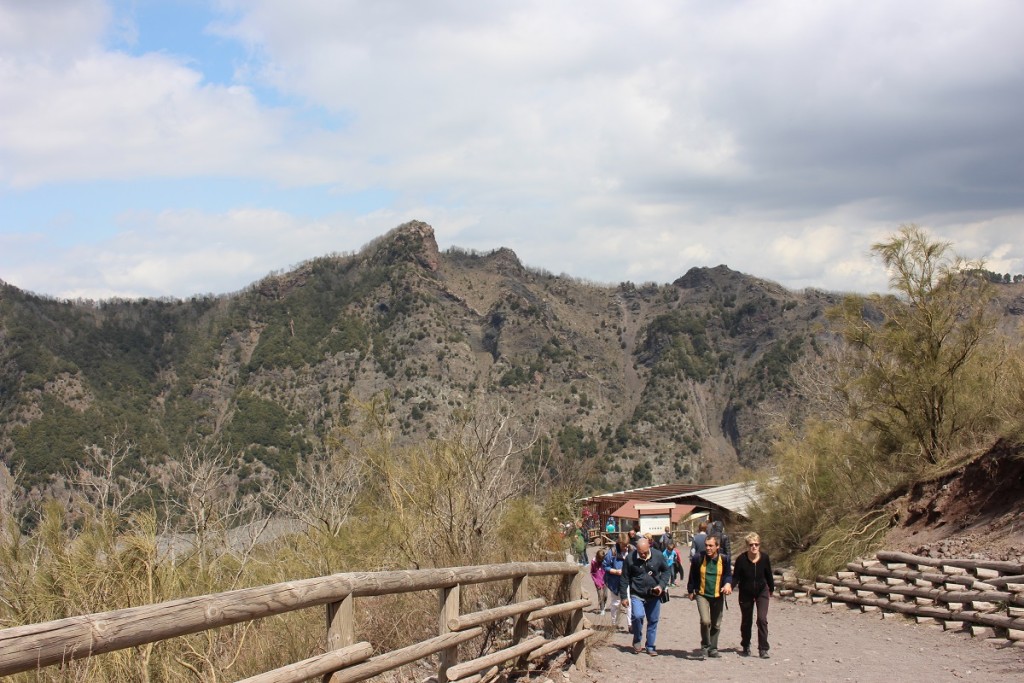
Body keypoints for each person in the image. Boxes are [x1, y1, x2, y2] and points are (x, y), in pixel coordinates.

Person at [619, 537, 670, 656]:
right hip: (637, 593)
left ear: (649, 547)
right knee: (637, 616)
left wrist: (661, 586)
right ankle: (637, 639)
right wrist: (623, 597)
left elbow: (666, 571)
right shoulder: (630, 558)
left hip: (654, 595)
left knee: (653, 620)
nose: (643, 555)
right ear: (636, 549)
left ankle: (650, 646)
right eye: (640, 553)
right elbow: (624, 578)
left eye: (645, 552)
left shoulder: (658, 556)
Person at [687, 534, 732, 659]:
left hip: (718, 595)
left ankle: (713, 648)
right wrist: (691, 590)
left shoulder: (724, 559)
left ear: (717, 546)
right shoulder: (698, 558)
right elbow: (693, 575)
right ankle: (705, 646)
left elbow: (728, 575)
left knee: (716, 623)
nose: (708, 548)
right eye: (706, 545)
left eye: (711, 545)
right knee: (706, 621)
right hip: (702, 594)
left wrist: (728, 584)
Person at [731, 532, 775, 658]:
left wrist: (771, 588)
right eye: (751, 545)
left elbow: (769, 575)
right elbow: (736, 577)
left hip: (762, 591)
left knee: (762, 619)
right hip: (746, 592)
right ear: (747, 546)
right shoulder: (741, 559)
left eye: (756, 544)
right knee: (747, 620)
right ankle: (746, 644)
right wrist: (730, 587)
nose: (754, 547)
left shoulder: (765, 558)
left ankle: (763, 649)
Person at [603, 535, 629, 630]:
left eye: (627, 545)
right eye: (624, 546)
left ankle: (630, 625)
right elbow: (605, 566)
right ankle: (614, 623)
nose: (625, 547)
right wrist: (615, 571)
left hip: (627, 581)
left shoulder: (630, 550)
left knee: (629, 601)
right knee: (616, 603)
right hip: (614, 581)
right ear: (619, 543)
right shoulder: (612, 552)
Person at [590, 548, 610, 615]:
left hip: (605, 579)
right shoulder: (593, 562)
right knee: (600, 595)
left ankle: (604, 604)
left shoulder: (604, 561)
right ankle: (602, 609)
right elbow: (592, 572)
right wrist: (595, 581)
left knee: (605, 595)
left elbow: (607, 569)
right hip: (597, 580)